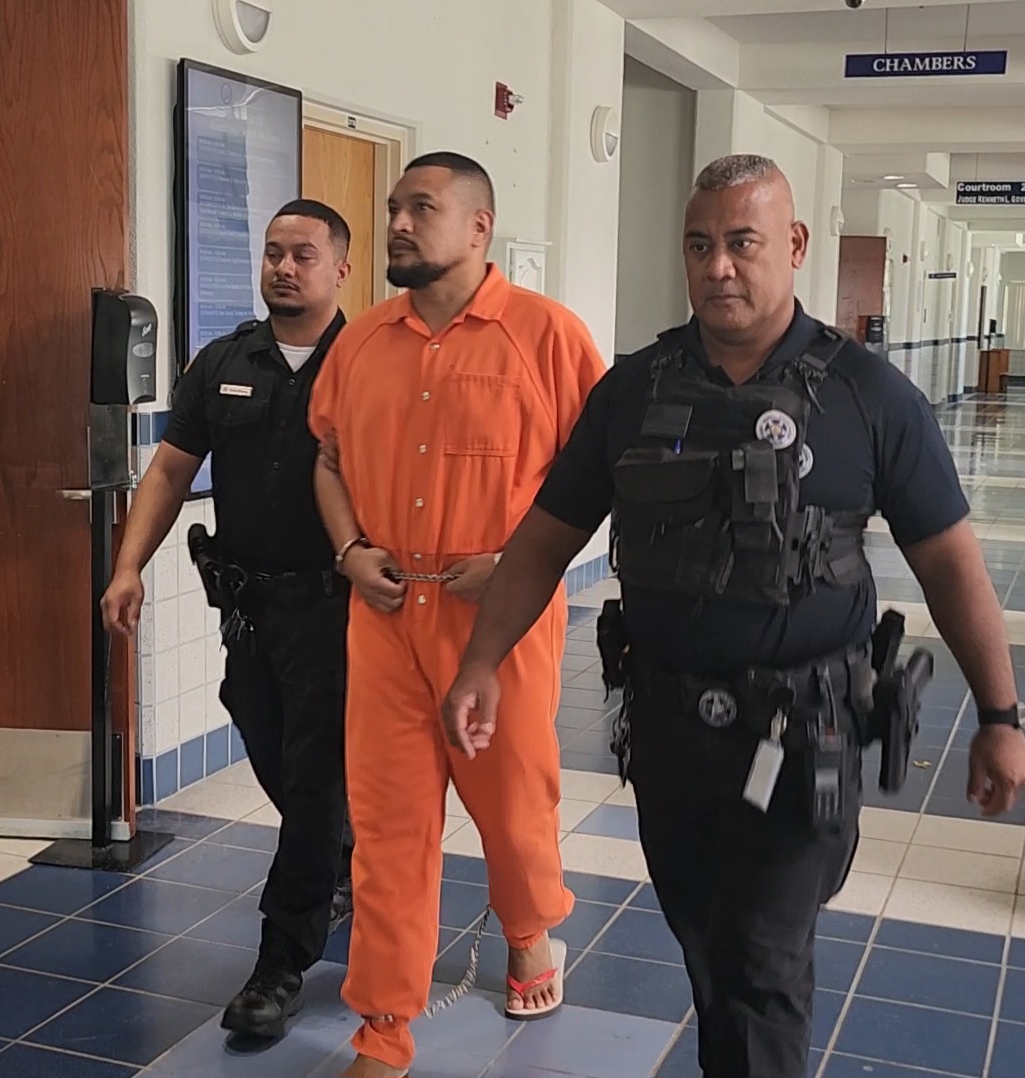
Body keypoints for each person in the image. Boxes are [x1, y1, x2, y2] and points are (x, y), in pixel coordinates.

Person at [443, 154, 1025, 1078]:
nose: (719, 265)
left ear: (792, 245)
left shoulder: (869, 397)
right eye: (700, 245)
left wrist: (999, 715)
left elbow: (951, 561)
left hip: (804, 738)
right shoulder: (633, 391)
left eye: (742, 243)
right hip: (674, 735)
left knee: (761, 961)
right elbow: (545, 539)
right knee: (709, 942)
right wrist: (480, 661)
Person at [308, 151, 606, 1078]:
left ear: (478, 227)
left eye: (420, 208)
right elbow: (328, 459)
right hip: (386, 615)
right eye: (394, 207)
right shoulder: (358, 342)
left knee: (515, 808)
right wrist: (350, 550)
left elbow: (593, 477)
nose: (398, 222)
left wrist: (520, 561)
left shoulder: (548, 336)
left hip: (501, 624)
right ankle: (385, 1027)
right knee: (391, 825)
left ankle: (527, 928)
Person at [101, 199, 356, 1041]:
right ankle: (339, 858)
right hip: (248, 613)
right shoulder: (221, 362)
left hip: (336, 613)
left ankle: (282, 961)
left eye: (304, 255)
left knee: (314, 780)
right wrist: (128, 563)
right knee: (277, 754)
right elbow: (172, 470)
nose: (285, 267)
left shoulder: (368, 364)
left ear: (340, 269)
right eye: (274, 252)